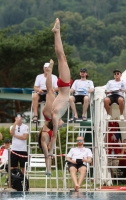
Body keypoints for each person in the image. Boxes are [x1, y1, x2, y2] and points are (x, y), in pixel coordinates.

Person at [49, 18, 72, 156]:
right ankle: (56, 32)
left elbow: (54, 136)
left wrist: (51, 151)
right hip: (63, 86)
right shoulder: (54, 113)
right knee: (60, 57)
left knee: (62, 57)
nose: (62, 124)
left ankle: (57, 32)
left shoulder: (55, 116)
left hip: (64, 85)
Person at [38, 59, 55, 175]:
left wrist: (49, 151)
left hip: (48, 115)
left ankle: (50, 71)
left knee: (50, 91)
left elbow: (46, 153)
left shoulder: (44, 136)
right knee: (51, 91)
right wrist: (51, 151)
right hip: (52, 117)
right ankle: (48, 169)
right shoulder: (53, 136)